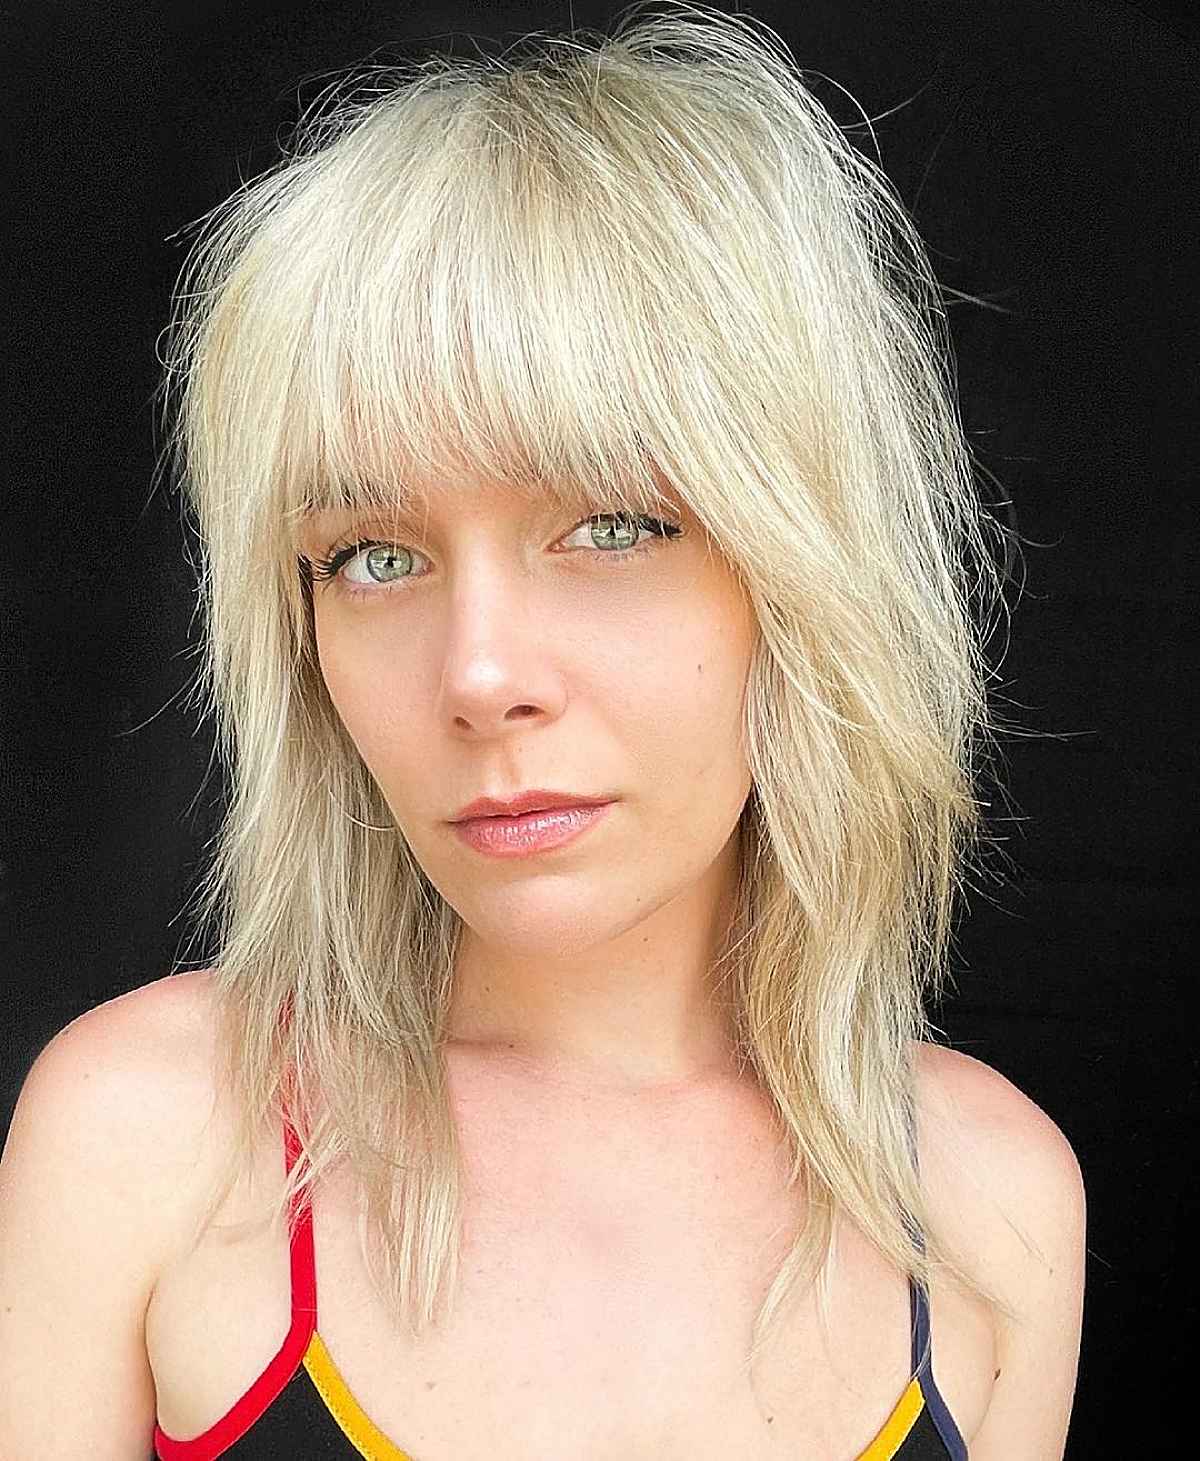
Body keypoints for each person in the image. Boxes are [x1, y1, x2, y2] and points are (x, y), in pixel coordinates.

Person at [0, 4, 1085, 1457]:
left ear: (807, 572)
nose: (480, 673)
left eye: (613, 525)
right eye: (374, 555)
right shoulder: (151, 1138)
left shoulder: (985, 1209)